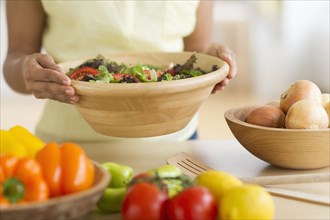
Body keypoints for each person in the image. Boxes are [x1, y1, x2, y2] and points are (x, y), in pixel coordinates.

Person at [3, 0, 237, 142]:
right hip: (71, 147)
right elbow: (17, 56)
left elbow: (195, 53)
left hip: (176, 143)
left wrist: (212, 60)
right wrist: (26, 70)